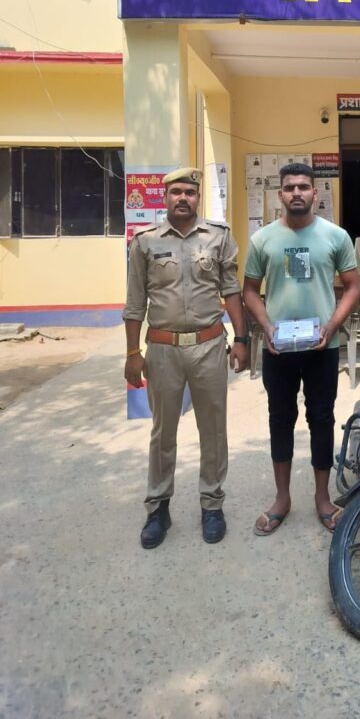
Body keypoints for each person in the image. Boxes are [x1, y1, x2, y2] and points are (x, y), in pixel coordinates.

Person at [123, 167, 249, 549]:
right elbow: (134, 303)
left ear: (198, 197)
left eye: (189, 192)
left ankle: (212, 503)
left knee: (213, 430)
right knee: (163, 432)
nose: (183, 198)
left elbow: (231, 291)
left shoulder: (218, 237)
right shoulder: (145, 242)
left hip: (209, 346)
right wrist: (132, 353)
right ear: (165, 197)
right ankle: (158, 507)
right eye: (176, 191)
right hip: (162, 350)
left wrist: (241, 339)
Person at [243, 163, 360, 536]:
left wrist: (332, 324)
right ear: (280, 194)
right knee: (280, 419)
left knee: (321, 419)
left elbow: (353, 287)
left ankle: (322, 498)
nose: (297, 192)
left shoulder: (335, 236)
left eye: (304, 187)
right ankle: (282, 498)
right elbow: (249, 291)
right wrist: (266, 327)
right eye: (290, 187)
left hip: (322, 346)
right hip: (278, 349)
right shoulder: (263, 239)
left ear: (315, 193)